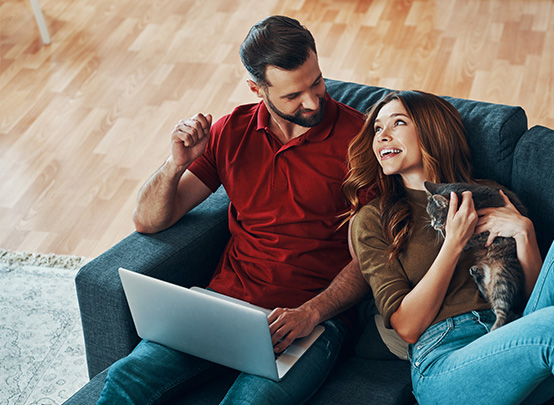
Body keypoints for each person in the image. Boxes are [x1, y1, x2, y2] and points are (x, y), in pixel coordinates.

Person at [98, 15, 371, 404]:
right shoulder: (231, 131)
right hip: (224, 307)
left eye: (317, 82)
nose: (312, 101)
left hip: (311, 322)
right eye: (293, 95)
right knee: (127, 378)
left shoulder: (360, 141)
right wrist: (175, 165)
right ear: (257, 89)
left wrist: (311, 312)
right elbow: (148, 221)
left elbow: (376, 255)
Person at [344, 90, 554, 404]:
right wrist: (453, 243)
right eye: (377, 129)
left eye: (397, 123)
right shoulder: (373, 220)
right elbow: (407, 328)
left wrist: (525, 234)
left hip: (517, 344)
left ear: (432, 130)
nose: (382, 136)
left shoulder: (491, 195)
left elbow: (531, 303)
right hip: (446, 362)